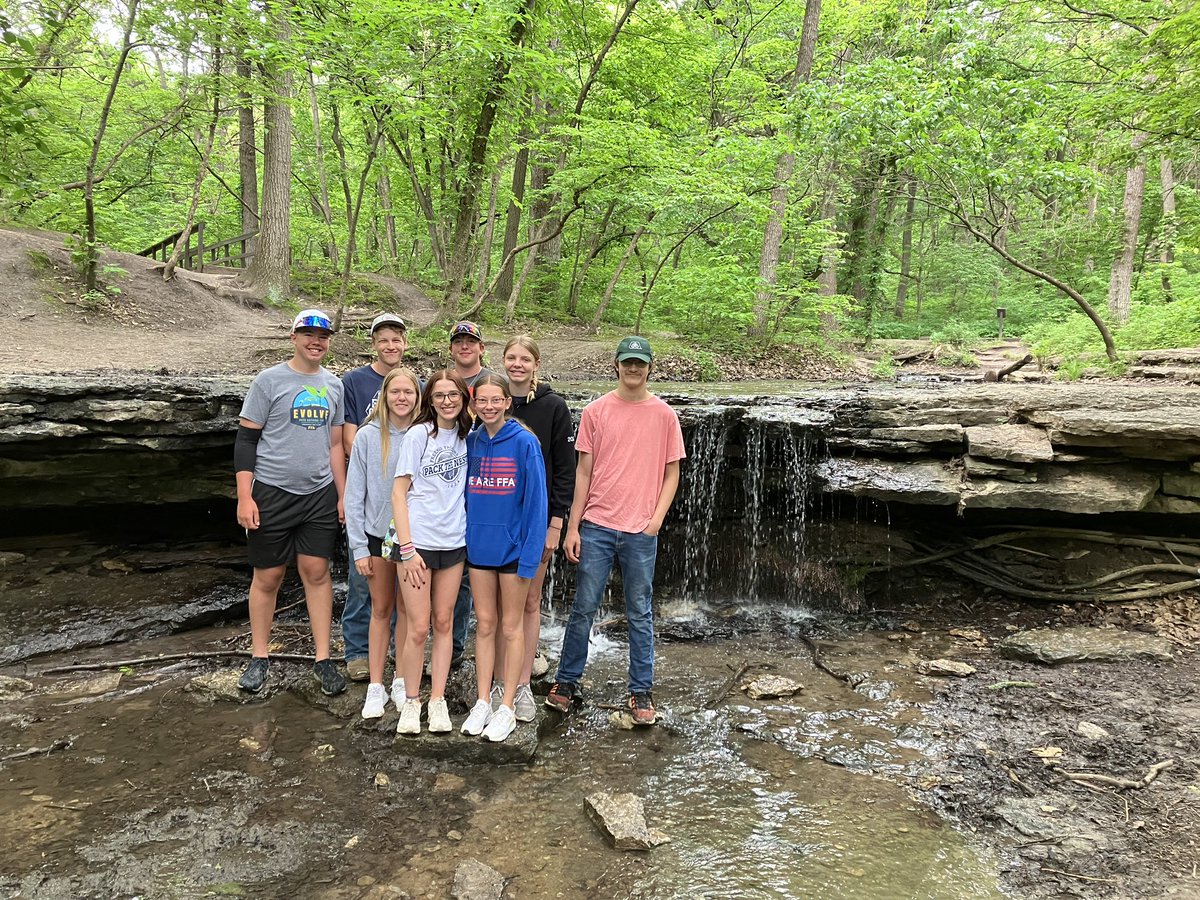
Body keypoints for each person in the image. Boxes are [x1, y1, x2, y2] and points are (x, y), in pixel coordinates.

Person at [545, 336, 685, 725]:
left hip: (641, 529)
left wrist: (655, 520)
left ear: (649, 367)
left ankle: (640, 690)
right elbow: (584, 472)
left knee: (640, 611)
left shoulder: (664, 416)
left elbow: (672, 473)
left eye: (640, 363)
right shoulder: (596, 411)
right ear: (617, 365)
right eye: (627, 362)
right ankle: (567, 681)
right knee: (584, 607)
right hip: (598, 526)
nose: (633, 368)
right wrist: (574, 527)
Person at [235, 309, 348, 696]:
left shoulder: (334, 385)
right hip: (271, 490)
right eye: (308, 334)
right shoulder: (269, 381)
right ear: (293, 337)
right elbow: (246, 441)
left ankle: (322, 660)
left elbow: (335, 444)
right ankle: (259, 656)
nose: (316, 341)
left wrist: (342, 494)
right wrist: (245, 496)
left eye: (323, 336)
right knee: (268, 576)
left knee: (316, 572)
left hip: (318, 493)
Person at [459, 375, 548, 742]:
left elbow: (536, 506)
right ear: (474, 403)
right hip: (480, 551)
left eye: (497, 400)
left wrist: (529, 558)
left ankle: (508, 705)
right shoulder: (471, 442)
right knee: (485, 625)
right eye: (483, 401)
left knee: (512, 627)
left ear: (507, 403)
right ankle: (483, 700)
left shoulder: (525, 443)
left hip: (514, 553)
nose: (490, 406)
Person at [494, 336, 575, 722]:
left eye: (525, 359)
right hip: (496, 518)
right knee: (494, 607)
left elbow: (565, 471)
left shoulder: (554, 407)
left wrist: (555, 524)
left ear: (536, 364)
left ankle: (522, 682)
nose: (517, 364)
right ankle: (496, 681)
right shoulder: (492, 404)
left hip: (537, 522)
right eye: (511, 357)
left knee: (529, 601)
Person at [392, 371, 471, 735]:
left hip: (454, 543)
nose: (446, 401)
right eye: (439, 395)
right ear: (430, 400)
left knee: (444, 623)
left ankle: (437, 699)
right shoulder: (418, 435)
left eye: (452, 394)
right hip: (418, 544)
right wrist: (406, 549)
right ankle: (412, 700)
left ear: (462, 397)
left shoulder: (469, 436)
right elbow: (399, 492)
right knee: (418, 626)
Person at [344, 367, 421, 718]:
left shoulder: (426, 435)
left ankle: (402, 679)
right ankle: (376, 685)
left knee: (408, 611)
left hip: (414, 538)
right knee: (380, 609)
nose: (402, 398)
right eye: (395, 392)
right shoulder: (367, 436)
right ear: (384, 396)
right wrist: (359, 547)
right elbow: (354, 495)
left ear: (418, 397)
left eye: (409, 392)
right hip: (376, 536)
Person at [340, 313, 409, 682]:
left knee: (399, 597)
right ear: (374, 344)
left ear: (405, 344)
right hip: (371, 509)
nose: (390, 345)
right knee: (361, 587)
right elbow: (349, 437)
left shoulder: (416, 392)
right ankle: (357, 652)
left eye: (396, 339)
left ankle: (398, 657)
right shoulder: (354, 381)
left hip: (408, 524)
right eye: (383, 339)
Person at [447, 321, 502, 668]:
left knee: (471, 580)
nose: (465, 346)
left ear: (481, 347)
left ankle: (462, 645)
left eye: (471, 341)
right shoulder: (443, 384)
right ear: (452, 348)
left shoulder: (494, 384)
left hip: (488, 491)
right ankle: (444, 646)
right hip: (450, 491)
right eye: (459, 342)